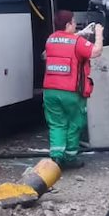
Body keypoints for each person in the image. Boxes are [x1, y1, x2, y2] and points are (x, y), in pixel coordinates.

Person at [42, 9, 103, 169]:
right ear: (68, 24)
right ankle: (70, 158)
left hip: (50, 92)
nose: (76, 25)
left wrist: (80, 34)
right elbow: (96, 52)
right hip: (70, 93)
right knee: (75, 124)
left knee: (56, 124)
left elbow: (62, 45)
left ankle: (56, 158)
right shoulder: (77, 42)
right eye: (74, 22)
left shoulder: (50, 40)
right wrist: (99, 33)